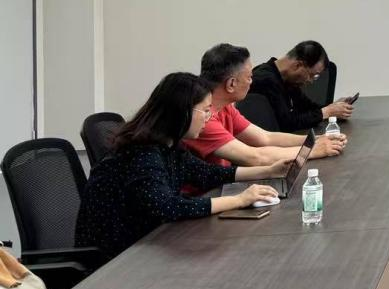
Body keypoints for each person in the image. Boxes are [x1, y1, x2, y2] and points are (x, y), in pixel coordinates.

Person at [75, 73, 289, 260]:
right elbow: (169, 207)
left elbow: (206, 173)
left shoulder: (168, 146)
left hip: (147, 244)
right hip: (116, 260)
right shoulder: (143, 153)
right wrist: (239, 200)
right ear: (182, 111)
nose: (209, 118)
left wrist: (269, 170)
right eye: (205, 111)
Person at [184, 43, 346, 168]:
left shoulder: (225, 107)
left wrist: (315, 140)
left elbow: (265, 138)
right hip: (206, 195)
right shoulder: (203, 118)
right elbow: (255, 157)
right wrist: (313, 150)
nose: (252, 82)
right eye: (249, 77)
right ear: (231, 84)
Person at [248, 40, 354, 133]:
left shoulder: (287, 79)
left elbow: (307, 106)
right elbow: (286, 124)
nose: (311, 81)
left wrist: (333, 107)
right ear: (297, 65)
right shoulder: (265, 80)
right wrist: (326, 112)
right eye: (312, 75)